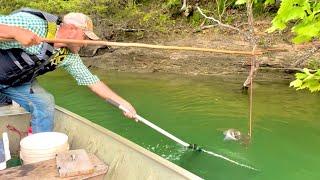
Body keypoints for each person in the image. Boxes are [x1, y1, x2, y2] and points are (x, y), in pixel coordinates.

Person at [0, 8, 137, 133]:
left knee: (45, 103)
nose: (84, 43)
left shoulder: (68, 55)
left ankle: (39, 149)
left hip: (14, 82)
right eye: (84, 37)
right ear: (72, 29)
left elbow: (92, 82)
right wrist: (15, 31)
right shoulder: (32, 23)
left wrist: (123, 103)